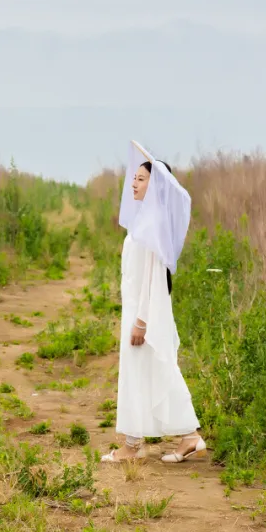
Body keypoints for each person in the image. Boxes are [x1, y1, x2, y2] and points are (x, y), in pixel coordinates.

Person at [101, 141, 206, 464]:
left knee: (160, 370)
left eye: (141, 179)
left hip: (144, 312)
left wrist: (142, 321)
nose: (133, 183)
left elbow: (152, 278)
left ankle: (177, 438)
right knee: (145, 373)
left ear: (156, 184)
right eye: (133, 178)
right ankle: (137, 442)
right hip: (137, 309)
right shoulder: (144, 221)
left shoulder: (153, 225)